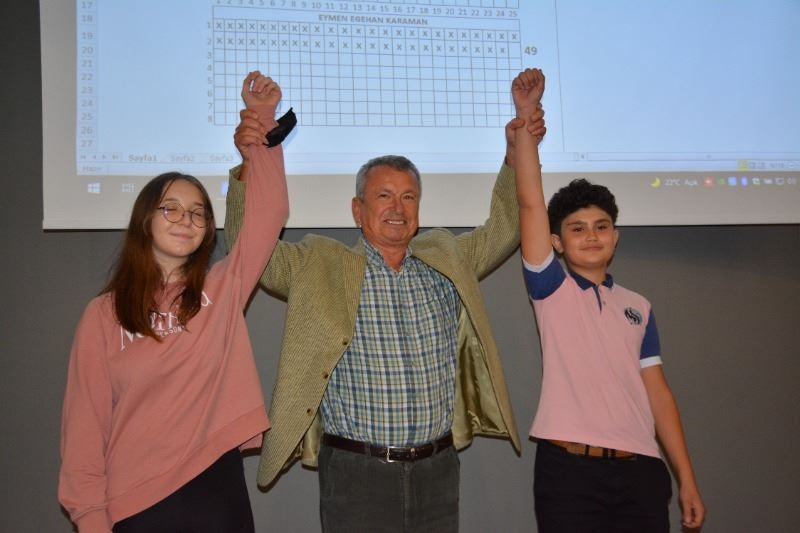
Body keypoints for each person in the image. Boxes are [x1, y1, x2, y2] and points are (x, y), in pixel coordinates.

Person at [225, 91, 545, 531]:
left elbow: (506, 225)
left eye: (409, 197)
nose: (398, 208)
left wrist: (516, 150)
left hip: (438, 469)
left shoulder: (446, 259)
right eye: (384, 196)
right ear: (358, 209)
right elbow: (249, 248)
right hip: (357, 475)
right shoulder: (318, 265)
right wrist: (249, 165)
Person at [58, 71, 290, 533]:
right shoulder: (103, 314)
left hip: (216, 490)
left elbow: (271, 213)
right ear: (146, 219)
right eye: (172, 208)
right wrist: (91, 520)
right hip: (135, 503)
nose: (187, 219)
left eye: (199, 212)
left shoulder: (222, 288)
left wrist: (262, 123)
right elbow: (83, 431)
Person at [512, 68, 706, 532]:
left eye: (601, 227)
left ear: (615, 236)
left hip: (641, 472)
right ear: (557, 242)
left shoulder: (639, 306)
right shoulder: (550, 289)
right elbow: (531, 204)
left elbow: (659, 394)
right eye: (577, 228)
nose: (591, 236)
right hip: (569, 473)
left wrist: (687, 479)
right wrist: (526, 122)